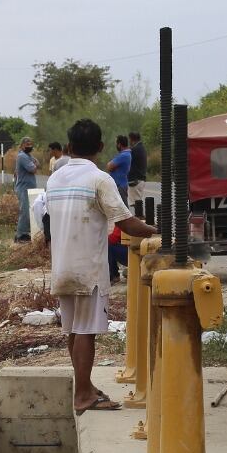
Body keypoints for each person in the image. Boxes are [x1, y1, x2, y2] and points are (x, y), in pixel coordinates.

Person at [47, 118, 157, 414]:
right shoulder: (99, 179)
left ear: (68, 147)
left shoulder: (54, 178)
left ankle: (85, 386)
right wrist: (156, 231)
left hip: (61, 267)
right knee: (85, 332)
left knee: (74, 330)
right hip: (88, 270)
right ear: (99, 147)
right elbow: (126, 223)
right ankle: (83, 394)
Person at [14, 136, 38, 242]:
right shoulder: (22, 156)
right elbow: (33, 169)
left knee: (28, 211)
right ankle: (21, 235)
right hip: (23, 188)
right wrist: (34, 164)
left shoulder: (28, 155)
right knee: (24, 212)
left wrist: (34, 164)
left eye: (30, 144)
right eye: (27, 145)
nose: (29, 146)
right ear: (22, 145)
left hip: (29, 188)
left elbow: (38, 164)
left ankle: (24, 233)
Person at [128, 131, 148, 204]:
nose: (129, 141)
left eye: (129, 139)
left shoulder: (135, 150)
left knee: (135, 205)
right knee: (138, 203)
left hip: (135, 180)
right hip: (141, 179)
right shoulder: (142, 148)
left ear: (132, 139)